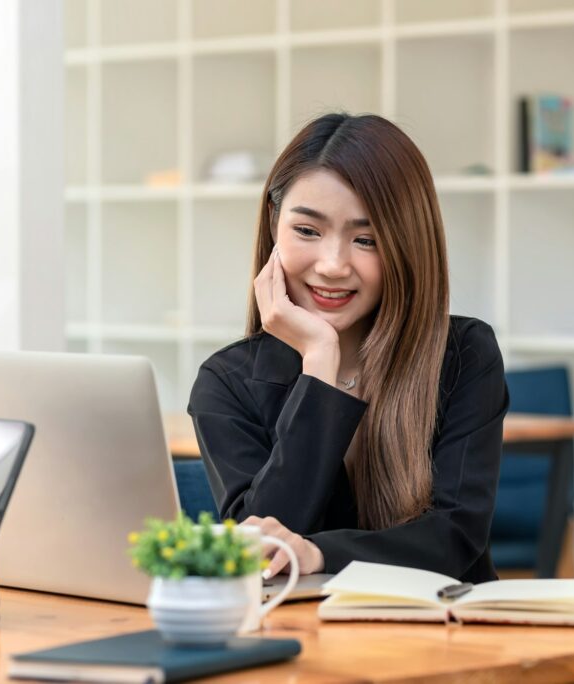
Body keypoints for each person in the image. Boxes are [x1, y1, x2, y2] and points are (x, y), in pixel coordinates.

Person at [187, 113, 508, 584]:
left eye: (366, 240)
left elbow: (454, 539)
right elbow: (261, 550)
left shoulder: (462, 355)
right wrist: (319, 367)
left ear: (406, 246)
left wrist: (317, 554)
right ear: (275, 225)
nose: (333, 265)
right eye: (307, 231)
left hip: (443, 637)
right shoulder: (227, 382)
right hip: (296, 641)